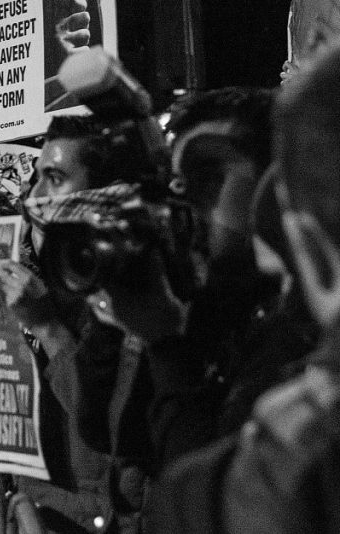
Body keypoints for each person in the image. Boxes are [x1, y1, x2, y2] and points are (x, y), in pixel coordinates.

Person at [0, 115, 164, 532]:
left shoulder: (138, 296)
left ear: (109, 192)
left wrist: (46, 327)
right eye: (36, 178)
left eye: (56, 178)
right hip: (42, 508)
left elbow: (109, 428)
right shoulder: (44, 278)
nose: (35, 195)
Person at [152, 43, 340, 534]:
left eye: (208, 176)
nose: (182, 203)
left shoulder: (294, 440)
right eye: (174, 184)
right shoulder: (214, 312)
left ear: (273, 190)